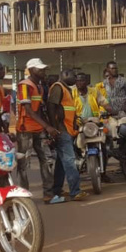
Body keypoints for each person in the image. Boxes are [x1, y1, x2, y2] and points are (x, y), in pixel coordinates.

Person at [16, 58, 57, 202]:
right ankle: (24, 196)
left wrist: (46, 126)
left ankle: (48, 194)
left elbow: (39, 110)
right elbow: (29, 111)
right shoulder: (25, 86)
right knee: (23, 164)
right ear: (31, 70)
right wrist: (48, 126)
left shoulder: (38, 86)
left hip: (38, 129)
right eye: (40, 69)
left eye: (44, 69)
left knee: (46, 160)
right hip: (25, 129)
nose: (43, 71)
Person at [47, 70, 88, 203]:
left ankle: (57, 189)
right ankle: (75, 191)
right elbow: (51, 107)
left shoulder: (66, 89)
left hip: (67, 129)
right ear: (64, 75)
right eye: (73, 76)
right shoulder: (58, 87)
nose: (76, 79)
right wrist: (54, 129)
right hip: (61, 130)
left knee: (61, 162)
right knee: (70, 161)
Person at [72, 72, 114, 183]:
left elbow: (104, 103)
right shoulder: (72, 93)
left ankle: (103, 172)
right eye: (77, 80)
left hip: (94, 122)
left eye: (82, 80)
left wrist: (110, 110)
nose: (79, 83)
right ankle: (76, 164)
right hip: (78, 123)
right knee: (72, 143)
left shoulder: (94, 91)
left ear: (87, 82)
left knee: (105, 141)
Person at [96, 61, 126, 142]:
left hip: (123, 113)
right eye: (112, 68)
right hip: (110, 114)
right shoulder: (104, 83)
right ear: (107, 69)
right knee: (111, 134)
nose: (114, 70)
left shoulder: (124, 81)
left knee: (123, 133)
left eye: (115, 68)